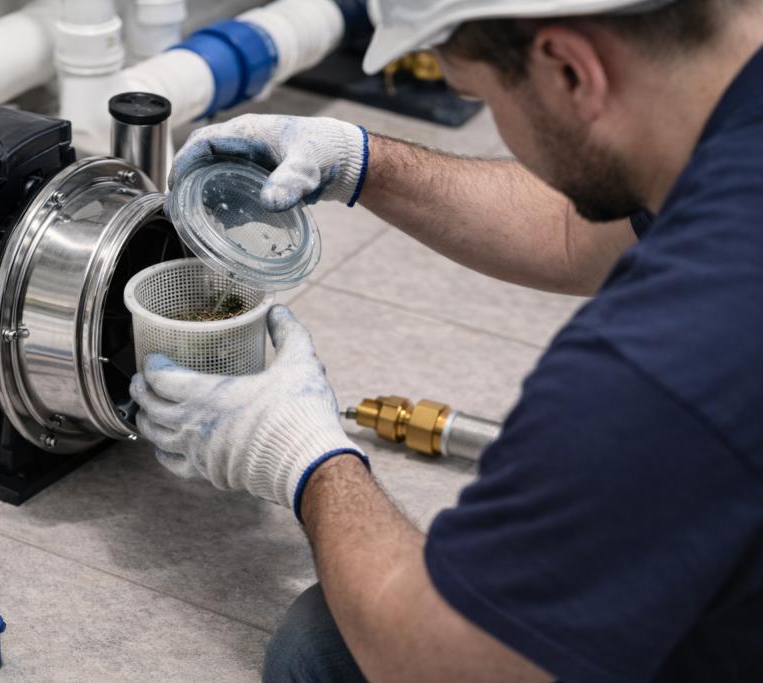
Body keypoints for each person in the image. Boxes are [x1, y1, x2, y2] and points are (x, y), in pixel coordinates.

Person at [129, 0, 763, 679]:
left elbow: (447, 662)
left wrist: (303, 456)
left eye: (480, 93)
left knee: (323, 655)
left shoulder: (661, 358)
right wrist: (360, 161)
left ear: (570, 70)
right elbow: (579, 231)